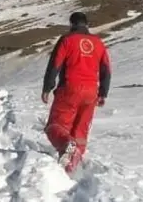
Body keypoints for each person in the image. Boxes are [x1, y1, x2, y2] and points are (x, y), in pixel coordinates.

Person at [41, 12, 112, 174]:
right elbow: (106, 69)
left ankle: (66, 145)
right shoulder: (98, 43)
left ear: (71, 24)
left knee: (56, 126)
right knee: (80, 132)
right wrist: (103, 92)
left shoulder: (67, 40)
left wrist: (47, 88)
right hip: (91, 92)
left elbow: (55, 64)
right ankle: (70, 168)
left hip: (70, 88)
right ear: (87, 24)